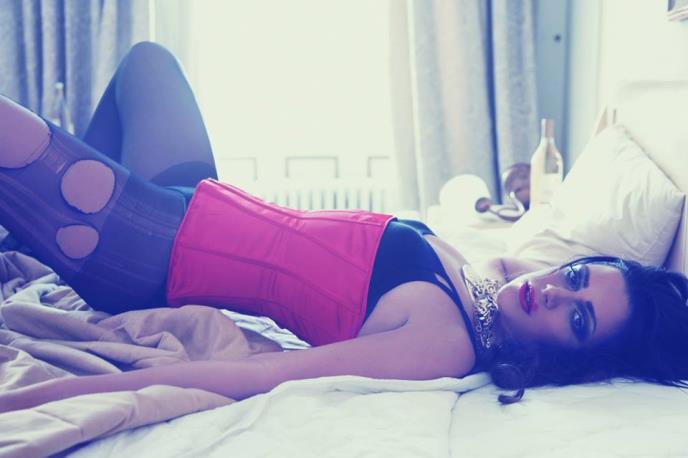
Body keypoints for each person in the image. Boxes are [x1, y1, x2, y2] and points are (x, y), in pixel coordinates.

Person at [1, 42, 687, 413]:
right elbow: (524, 262)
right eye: (575, 276)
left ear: (575, 362)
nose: (555, 292)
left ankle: (41, 229)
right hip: (192, 199)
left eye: (577, 319)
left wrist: (46, 397)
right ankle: (25, 231)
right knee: (147, 63)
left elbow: (260, 376)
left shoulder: (443, 346)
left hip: (143, 251)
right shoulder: (488, 285)